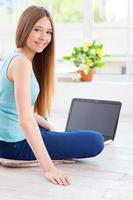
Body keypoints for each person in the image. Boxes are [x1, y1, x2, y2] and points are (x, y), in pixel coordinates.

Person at [0, 5, 104, 186]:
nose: (44, 37)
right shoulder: (21, 63)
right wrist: (48, 168)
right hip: (14, 145)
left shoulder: (15, 56)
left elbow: (13, 107)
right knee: (95, 140)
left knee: (45, 122)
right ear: (24, 28)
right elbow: (25, 121)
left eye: (48, 32)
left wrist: (46, 125)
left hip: (7, 138)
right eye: (37, 30)